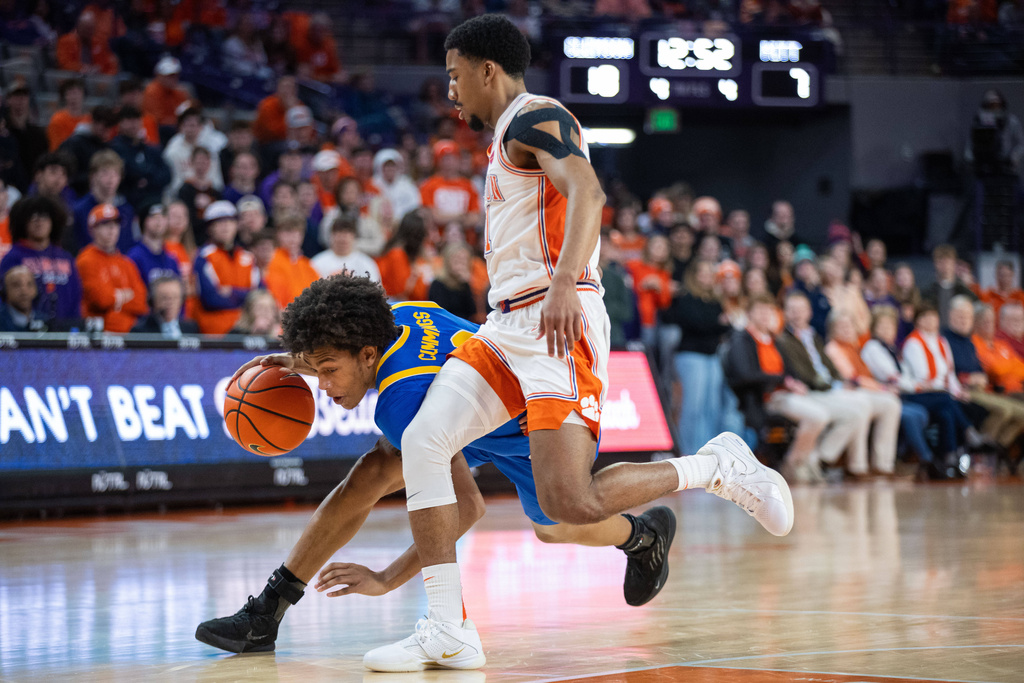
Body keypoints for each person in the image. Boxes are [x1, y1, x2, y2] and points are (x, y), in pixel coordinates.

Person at [360, 16, 793, 673]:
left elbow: (587, 192)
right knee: (424, 438)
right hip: (506, 325)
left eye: (454, 75)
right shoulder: (508, 135)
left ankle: (716, 468)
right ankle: (447, 628)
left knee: (569, 503)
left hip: (558, 320)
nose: (450, 91)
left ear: (487, 70)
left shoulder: (537, 117)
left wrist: (565, 280)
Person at [195, 275, 678, 655]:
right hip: (481, 406)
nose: (323, 387)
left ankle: (643, 535)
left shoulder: (401, 400)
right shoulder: (401, 315)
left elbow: (466, 508)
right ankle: (268, 611)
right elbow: (366, 354)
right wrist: (298, 360)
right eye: (318, 370)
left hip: (534, 428)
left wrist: (387, 580)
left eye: (328, 371)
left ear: (366, 354)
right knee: (372, 471)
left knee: (557, 526)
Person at [860, 305, 971, 480]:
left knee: (946, 411)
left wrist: (919, 385)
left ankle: (946, 461)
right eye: (882, 326)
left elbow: (908, 376)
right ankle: (952, 444)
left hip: (903, 393)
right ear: (874, 328)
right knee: (944, 399)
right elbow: (894, 378)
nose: (887, 330)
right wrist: (919, 386)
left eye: (890, 326)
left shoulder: (890, 349)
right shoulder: (873, 347)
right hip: (891, 395)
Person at [774, 291, 873, 482]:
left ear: (809, 312)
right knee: (852, 410)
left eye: (801, 310)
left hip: (827, 388)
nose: (797, 314)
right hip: (813, 391)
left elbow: (828, 365)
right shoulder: (784, 340)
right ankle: (809, 462)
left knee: (859, 410)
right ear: (785, 313)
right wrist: (831, 385)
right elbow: (801, 373)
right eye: (792, 310)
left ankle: (819, 459)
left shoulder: (814, 335)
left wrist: (839, 381)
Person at [663, 260, 731, 455]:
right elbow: (695, 324)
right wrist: (717, 324)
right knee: (692, 408)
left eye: (711, 273)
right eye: (703, 272)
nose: (708, 277)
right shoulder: (685, 298)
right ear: (694, 275)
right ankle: (687, 453)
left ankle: (708, 454)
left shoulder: (715, 301)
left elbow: (721, 325)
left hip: (712, 357)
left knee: (711, 409)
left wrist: (715, 324)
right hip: (691, 356)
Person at [822, 310, 903, 476]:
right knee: (863, 404)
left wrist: (883, 389)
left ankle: (883, 464)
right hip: (847, 392)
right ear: (832, 329)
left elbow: (867, 376)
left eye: (849, 325)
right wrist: (882, 388)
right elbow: (852, 378)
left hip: (863, 391)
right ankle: (857, 465)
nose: (846, 329)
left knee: (891, 404)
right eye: (841, 326)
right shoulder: (833, 349)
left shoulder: (856, 348)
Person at [0, 195, 82, 325]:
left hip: (65, 330)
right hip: (26, 332)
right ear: (22, 222)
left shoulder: (66, 258)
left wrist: (75, 326)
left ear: (53, 221)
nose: (39, 221)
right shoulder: (13, 257)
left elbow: (76, 297)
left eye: (44, 216)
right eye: (32, 217)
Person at [75, 203, 149, 333]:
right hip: (99, 335)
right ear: (92, 230)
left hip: (129, 335)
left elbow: (141, 303)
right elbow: (101, 300)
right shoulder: (86, 260)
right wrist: (126, 296)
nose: (112, 229)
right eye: (105, 224)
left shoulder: (126, 262)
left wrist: (114, 297)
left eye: (115, 224)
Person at [193, 200, 259, 334]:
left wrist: (231, 292)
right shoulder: (203, 257)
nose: (225, 226)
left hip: (248, 329)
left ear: (237, 225)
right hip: (216, 332)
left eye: (230, 221)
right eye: (219, 222)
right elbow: (210, 299)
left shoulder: (248, 257)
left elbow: (260, 296)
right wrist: (246, 295)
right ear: (209, 228)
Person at [72, 150, 137, 255]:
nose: (111, 179)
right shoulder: (79, 209)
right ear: (93, 176)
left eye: (115, 173)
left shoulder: (126, 210)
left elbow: (130, 246)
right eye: (105, 172)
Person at [109, 105, 171, 210]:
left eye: (136, 119)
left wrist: (147, 180)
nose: (134, 124)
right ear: (120, 123)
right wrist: (149, 173)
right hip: (126, 202)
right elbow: (129, 172)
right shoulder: (114, 149)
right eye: (129, 119)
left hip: (153, 202)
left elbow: (167, 174)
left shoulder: (152, 149)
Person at [263, 213, 320, 309]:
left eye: (297, 232)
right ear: (278, 234)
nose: (293, 237)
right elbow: (276, 301)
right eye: (288, 231)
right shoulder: (271, 260)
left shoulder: (307, 264)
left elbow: (318, 295)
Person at [127, 203, 181, 288]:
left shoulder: (171, 259)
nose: (159, 220)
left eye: (163, 215)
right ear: (143, 220)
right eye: (153, 216)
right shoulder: (134, 257)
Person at [311, 216, 380, 281]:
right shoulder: (317, 263)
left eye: (347, 233)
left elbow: (376, 290)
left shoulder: (367, 264)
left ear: (354, 236)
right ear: (331, 236)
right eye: (339, 233)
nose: (343, 238)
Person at [922, 244, 977, 326]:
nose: (945, 266)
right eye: (941, 261)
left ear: (954, 264)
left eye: (948, 261)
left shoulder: (965, 291)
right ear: (935, 264)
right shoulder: (927, 293)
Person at [130, 275, 198, 337]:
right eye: (164, 298)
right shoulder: (140, 331)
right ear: (153, 301)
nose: (170, 302)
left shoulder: (191, 329)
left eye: (175, 297)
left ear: (182, 300)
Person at [56, 10, 119, 75]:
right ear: (78, 27)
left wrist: (107, 77)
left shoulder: (99, 43)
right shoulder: (65, 41)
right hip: (73, 78)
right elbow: (64, 63)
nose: (88, 32)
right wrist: (83, 68)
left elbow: (110, 64)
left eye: (90, 29)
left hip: (96, 79)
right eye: (85, 29)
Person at [428, 242, 477, 320]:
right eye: (456, 259)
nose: (461, 263)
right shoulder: (437, 283)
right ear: (447, 261)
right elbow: (441, 311)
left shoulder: (464, 284)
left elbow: (472, 312)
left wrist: (468, 284)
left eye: (464, 259)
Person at [143, 56, 190, 133]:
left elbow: (187, 111)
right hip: (159, 130)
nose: (173, 78)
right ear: (159, 75)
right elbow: (157, 119)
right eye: (169, 76)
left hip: (177, 126)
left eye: (175, 75)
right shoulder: (152, 91)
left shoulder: (179, 91)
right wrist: (179, 121)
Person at [253, 76, 300, 145]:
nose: (287, 90)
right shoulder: (268, 104)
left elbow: (307, 128)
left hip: (293, 141)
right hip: (267, 143)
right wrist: (290, 110)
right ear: (278, 89)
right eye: (284, 87)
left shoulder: (299, 105)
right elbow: (274, 132)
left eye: (290, 87)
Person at [47, 80, 89, 152]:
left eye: (77, 93)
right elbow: (55, 147)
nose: (74, 97)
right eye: (70, 93)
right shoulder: (57, 119)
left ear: (83, 95)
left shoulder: (89, 119)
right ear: (64, 96)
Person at [0, 265, 43, 332]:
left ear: (36, 290)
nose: (24, 291)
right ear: (5, 291)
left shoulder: (46, 322)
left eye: (29, 284)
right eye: (16, 285)